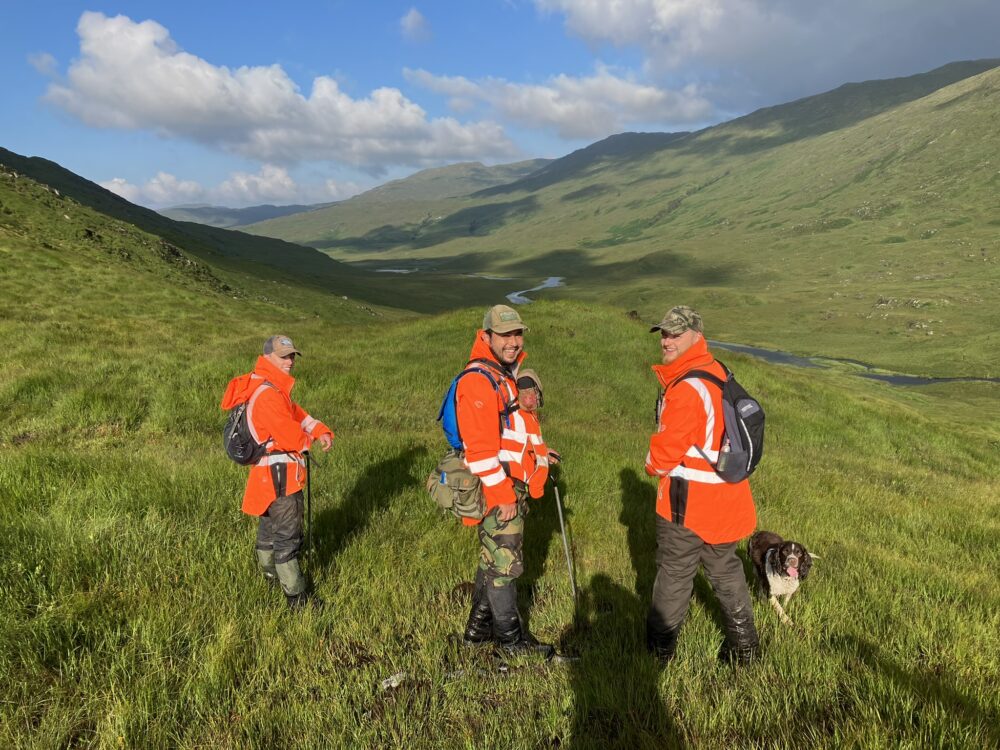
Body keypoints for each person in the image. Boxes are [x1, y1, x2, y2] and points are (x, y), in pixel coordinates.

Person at [643, 306, 760, 664]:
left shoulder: (687, 388)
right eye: (664, 333)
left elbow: (663, 456)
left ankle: (657, 654)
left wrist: (650, 464)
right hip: (726, 497)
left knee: (675, 574)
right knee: (725, 570)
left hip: (689, 504)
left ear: (696, 336)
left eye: (675, 334)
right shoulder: (717, 371)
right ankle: (745, 648)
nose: (667, 341)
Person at [458, 305, 555, 657]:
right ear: (486, 337)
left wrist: (536, 454)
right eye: (505, 335)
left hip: (506, 480)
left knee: (492, 560)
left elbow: (507, 430)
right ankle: (511, 643)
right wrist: (503, 494)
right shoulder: (478, 381)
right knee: (504, 568)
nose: (513, 341)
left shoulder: (501, 373)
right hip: (497, 486)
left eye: (517, 334)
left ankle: (476, 634)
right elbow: (481, 449)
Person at [221, 335, 333, 610]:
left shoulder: (266, 387)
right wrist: (308, 442)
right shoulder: (269, 394)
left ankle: (270, 578)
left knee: (269, 529)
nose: (290, 361)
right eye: (284, 356)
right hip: (282, 476)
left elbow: (296, 414)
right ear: (268, 356)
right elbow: (290, 435)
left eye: (292, 355)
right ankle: (297, 598)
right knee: (288, 537)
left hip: (266, 476)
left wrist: (319, 430)